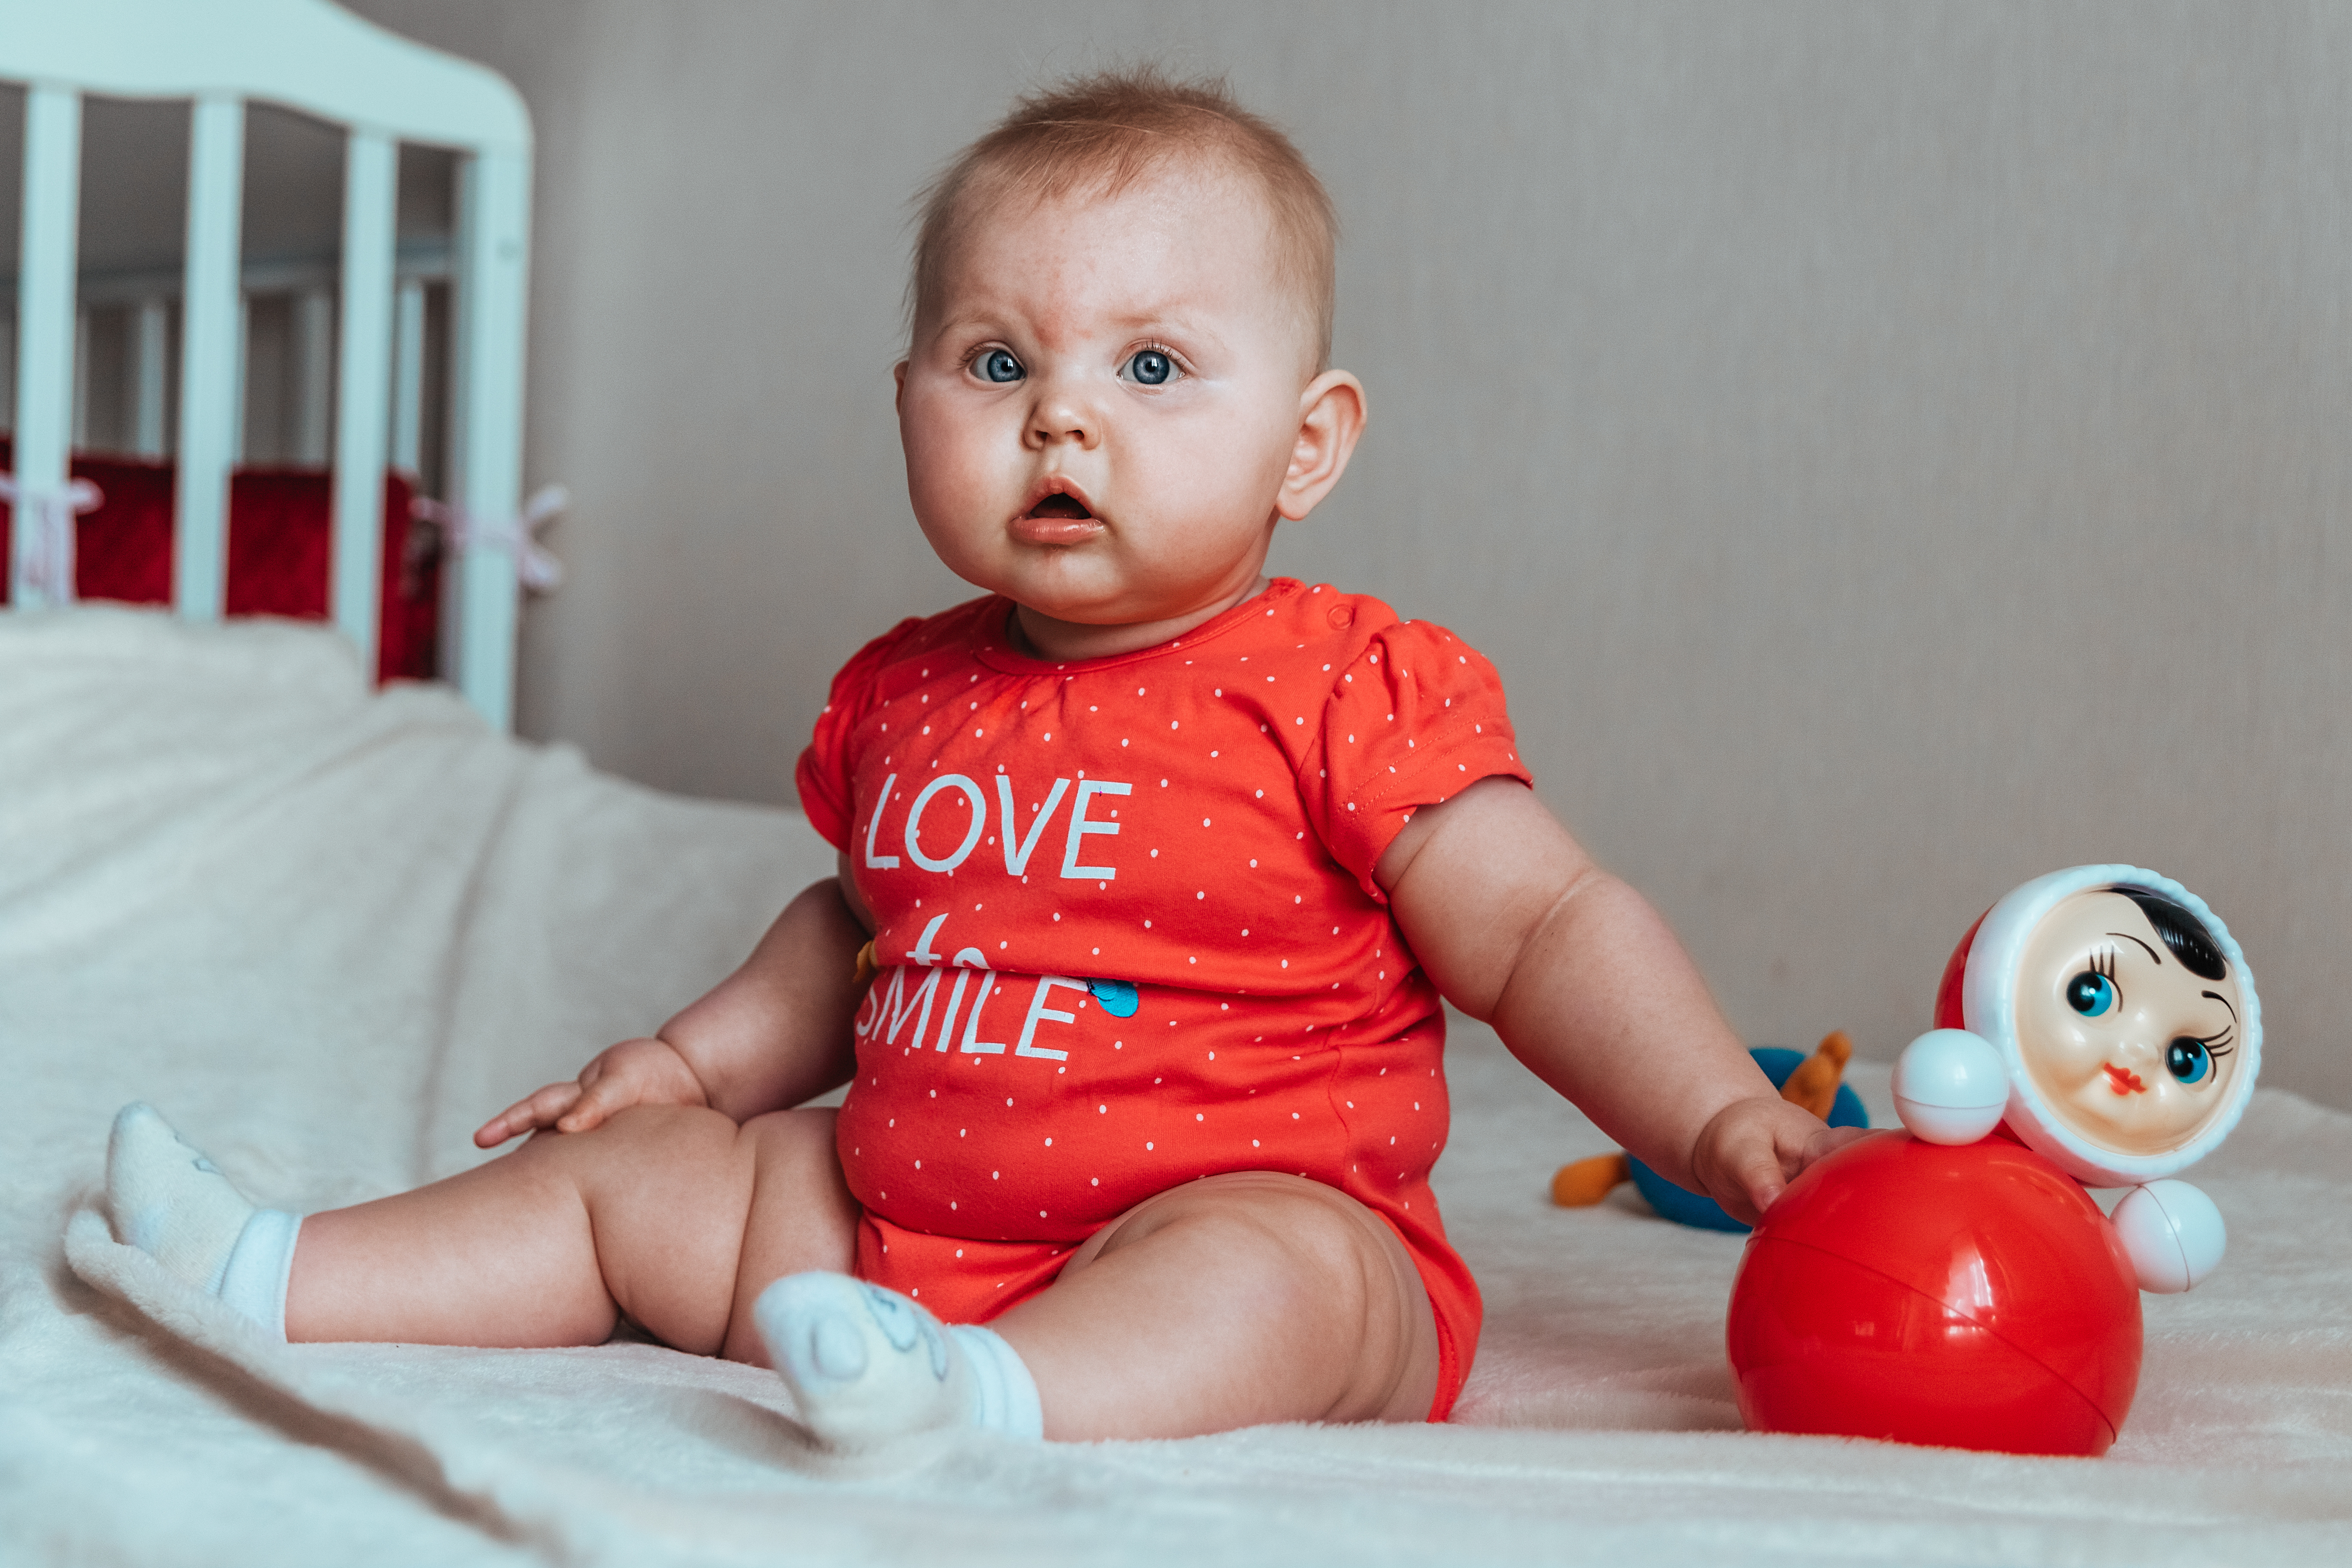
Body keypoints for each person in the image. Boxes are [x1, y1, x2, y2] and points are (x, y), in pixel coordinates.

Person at [105, 68, 1856, 1448]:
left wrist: (1714, 1116)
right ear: (908, 407)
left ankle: (1002, 1410)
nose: (1063, 415)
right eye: (998, 359)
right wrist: (692, 1067)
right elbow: (848, 927)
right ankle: (282, 1270)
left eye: (1155, 365)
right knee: (637, 1183)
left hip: (1227, 1211)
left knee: (1290, 1280)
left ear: (1304, 447)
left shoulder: (1344, 682)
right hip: (893, 1237)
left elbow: (1545, 929)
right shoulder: (907, 692)